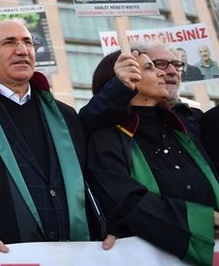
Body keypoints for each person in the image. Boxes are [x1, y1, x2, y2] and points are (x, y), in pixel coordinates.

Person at [0, 19, 95, 249]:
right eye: (9, 42)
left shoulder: (65, 116)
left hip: (76, 254)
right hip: (1, 257)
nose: (22, 50)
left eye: (28, 42)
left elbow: (92, 186)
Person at [86, 49, 219, 266]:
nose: (161, 73)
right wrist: (203, 220)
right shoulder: (107, 139)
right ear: (124, 80)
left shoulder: (186, 129)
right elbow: (126, 203)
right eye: (149, 68)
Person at [79, 43, 203, 139]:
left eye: (177, 65)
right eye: (159, 64)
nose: (171, 71)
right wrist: (119, 87)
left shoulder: (195, 119)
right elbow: (82, 125)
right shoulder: (110, 139)